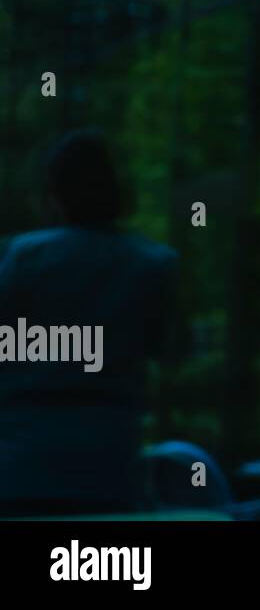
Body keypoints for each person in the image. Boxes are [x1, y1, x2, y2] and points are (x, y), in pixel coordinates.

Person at [0, 129, 177, 517]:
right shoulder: (152, 264)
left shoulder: (20, 258)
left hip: (19, 461)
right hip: (108, 463)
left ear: (55, 194)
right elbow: (167, 352)